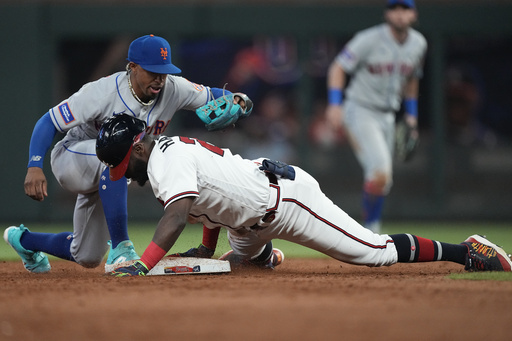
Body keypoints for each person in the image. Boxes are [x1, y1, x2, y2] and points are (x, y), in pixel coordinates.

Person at [93, 114, 511, 276]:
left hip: (288, 202)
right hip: (248, 221)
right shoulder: (166, 157)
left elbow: (178, 214)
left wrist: (143, 266)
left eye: (123, 164)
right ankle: (265, 255)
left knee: (374, 252)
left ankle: (466, 251)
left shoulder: (164, 161)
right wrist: (205, 251)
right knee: (239, 265)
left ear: (139, 147)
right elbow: (208, 204)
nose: (125, 174)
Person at [4, 34, 252, 274]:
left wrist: (239, 101)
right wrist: (34, 165)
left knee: (87, 255)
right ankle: (122, 247)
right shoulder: (101, 92)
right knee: (118, 153)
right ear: (132, 67)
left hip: (106, 171)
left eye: (164, 71)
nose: (160, 79)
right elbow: (49, 122)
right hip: (72, 157)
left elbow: (218, 96)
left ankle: (23, 240)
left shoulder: (174, 88)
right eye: (152, 71)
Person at [325, 0, 427, 233]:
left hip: (388, 115)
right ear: (387, 14)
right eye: (395, 9)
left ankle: (368, 231)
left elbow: (412, 79)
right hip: (360, 110)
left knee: (383, 179)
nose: (400, 14)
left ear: (414, 14)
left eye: (405, 9)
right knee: (380, 170)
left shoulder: (419, 43)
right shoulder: (368, 39)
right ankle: (371, 232)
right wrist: (334, 104)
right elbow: (337, 68)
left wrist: (411, 116)